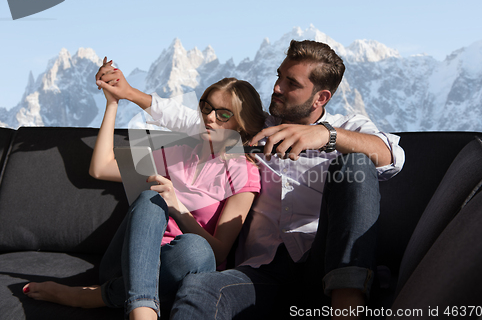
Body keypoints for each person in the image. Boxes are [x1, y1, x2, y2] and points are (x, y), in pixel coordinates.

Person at [93, 39, 405, 319]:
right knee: (200, 288)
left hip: (321, 267)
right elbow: (197, 119)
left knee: (355, 165)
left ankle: (347, 306)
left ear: (320, 97)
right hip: (260, 273)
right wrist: (129, 93)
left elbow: (392, 155)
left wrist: (324, 135)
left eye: (290, 83)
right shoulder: (254, 130)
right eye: (278, 76)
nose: (277, 88)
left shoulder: (345, 127)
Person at [22, 75, 267, 320]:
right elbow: (101, 167)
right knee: (150, 200)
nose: (209, 118)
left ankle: (93, 297)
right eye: (206, 107)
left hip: (180, 270)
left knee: (196, 249)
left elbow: (220, 253)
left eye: (223, 115)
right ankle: (141, 312)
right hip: (128, 263)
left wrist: (178, 208)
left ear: (242, 125)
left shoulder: (244, 173)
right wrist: (112, 104)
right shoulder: (180, 153)